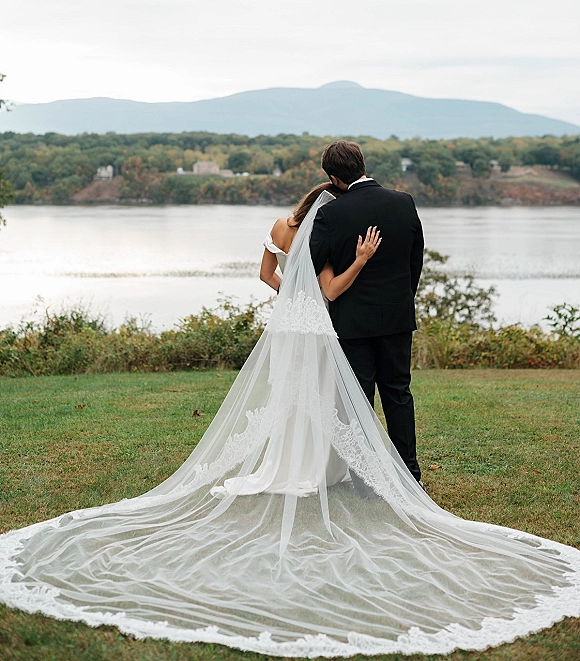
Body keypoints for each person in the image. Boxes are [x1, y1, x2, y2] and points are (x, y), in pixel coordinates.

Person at [1, 180, 578, 657]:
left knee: (293, 400)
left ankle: (290, 462)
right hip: (320, 324)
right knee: (326, 400)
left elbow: (266, 276)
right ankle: (319, 468)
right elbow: (329, 291)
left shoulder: (283, 229)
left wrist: (288, 294)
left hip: (286, 325)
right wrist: (346, 269)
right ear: (328, 205)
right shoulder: (324, 233)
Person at [310, 140, 423, 482]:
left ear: (333, 176)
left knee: (357, 400)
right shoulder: (404, 203)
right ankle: (410, 473)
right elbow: (414, 262)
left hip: (352, 323)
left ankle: (364, 479)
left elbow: (314, 268)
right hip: (397, 318)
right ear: (361, 163)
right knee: (398, 393)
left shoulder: (330, 215)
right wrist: (403, 299)